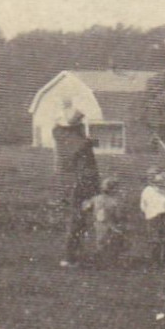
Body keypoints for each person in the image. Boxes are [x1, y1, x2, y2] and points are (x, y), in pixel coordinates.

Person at [52, 110, 100, 267]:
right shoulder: (72, 139)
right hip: (78, 183)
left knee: (80, 220)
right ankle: (70, 256)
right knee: (77, 219)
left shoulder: (63, 134)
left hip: (79, 182)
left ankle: (75, 255)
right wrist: (89, 142)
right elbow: (78, 148)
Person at [81, 176, 132, 265]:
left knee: (101, 240)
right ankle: (108, 258)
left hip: (100, 223)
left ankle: (103, 257)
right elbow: (118, 215)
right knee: (111, 239)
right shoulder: (114, 201)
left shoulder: (96, 198)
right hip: (109, 223)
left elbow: (85, 207)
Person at [141, 167, 165, 267]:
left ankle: (164, 260)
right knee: (158, 240)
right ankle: (157, 261)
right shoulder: (147, 191)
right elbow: (143, 205)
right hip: (156, 217)